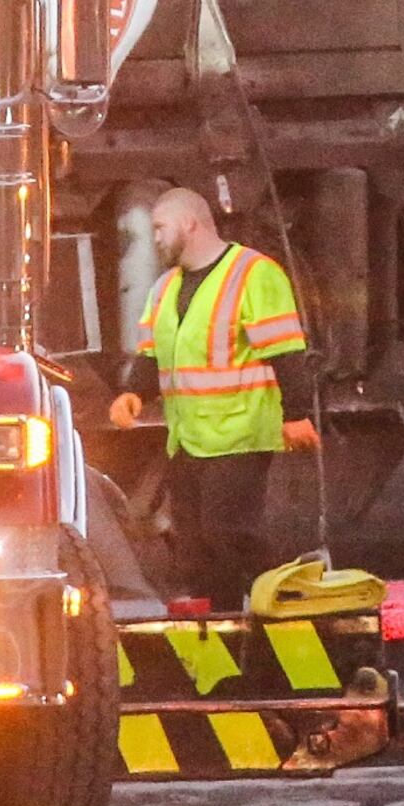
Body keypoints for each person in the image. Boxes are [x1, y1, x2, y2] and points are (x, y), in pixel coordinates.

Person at [108, 188, 318, 608]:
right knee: (194, 546)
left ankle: (290, 606)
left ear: (190, 223)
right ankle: (223, 623)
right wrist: (133, 393)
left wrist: (297, 415)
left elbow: (286, 353)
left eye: (160, 227)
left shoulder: (253, 274)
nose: (157, 239)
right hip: (189, 437)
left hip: (240, 431)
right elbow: (152, 354)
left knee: (229, 533)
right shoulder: (165, 287)